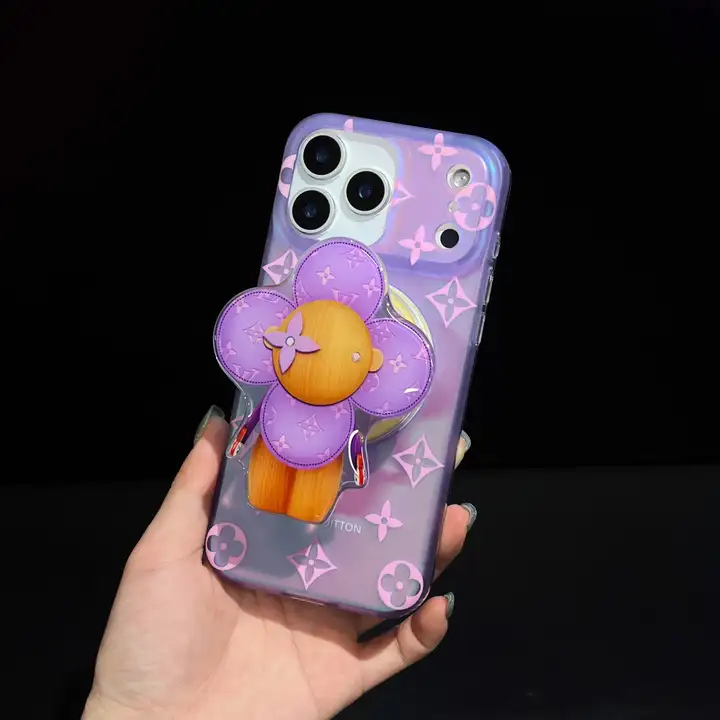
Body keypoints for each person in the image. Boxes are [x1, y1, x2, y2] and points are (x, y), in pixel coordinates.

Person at [82, 406, 477, 719]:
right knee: (275, 481)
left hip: (313, 473)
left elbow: (353, 448)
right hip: (274, 467)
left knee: (309, 490)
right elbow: (259, 424)